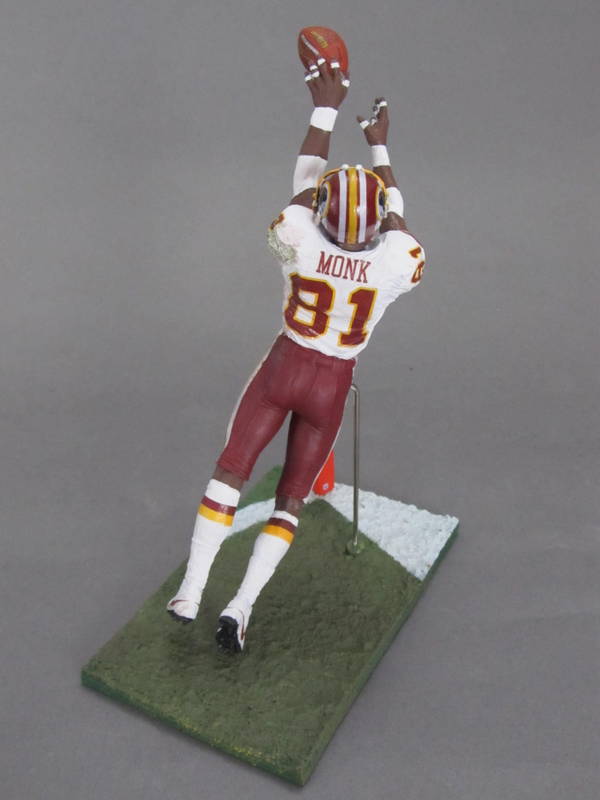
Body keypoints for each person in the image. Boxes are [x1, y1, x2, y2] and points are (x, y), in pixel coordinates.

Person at [166, 59, 426, 653]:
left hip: (285, 366)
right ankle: (240, 606)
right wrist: (381, 150)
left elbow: (305, 180)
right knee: (290, 499)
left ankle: (191, 591)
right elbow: (397, 218)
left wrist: (324, 109)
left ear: (321, 215)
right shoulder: (396, 259)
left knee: (232, 469)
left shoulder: (298, 235)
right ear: (378, 227)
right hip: (331, 384)